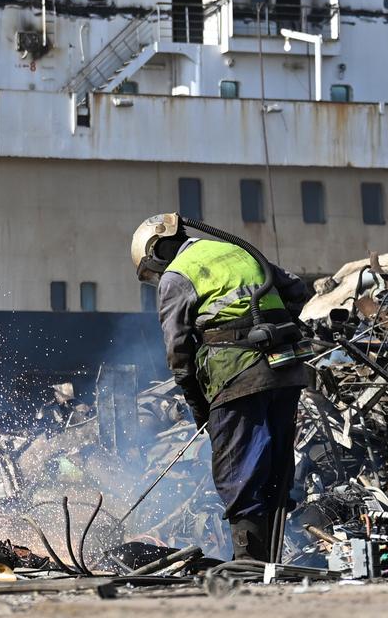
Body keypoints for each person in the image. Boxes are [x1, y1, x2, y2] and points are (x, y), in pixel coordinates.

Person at [130, 213, 313, 562]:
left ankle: (248, 564)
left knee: (238, 470)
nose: (156, 277)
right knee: (275, 467)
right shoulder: (237, 252)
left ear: (154, 253)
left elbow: (178, 354)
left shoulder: (176, 276)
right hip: (285, 370)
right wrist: (272, 323)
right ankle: (269, 565)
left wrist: (200, 410)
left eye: (151, 270)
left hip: (235, 374)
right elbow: (296, 289)